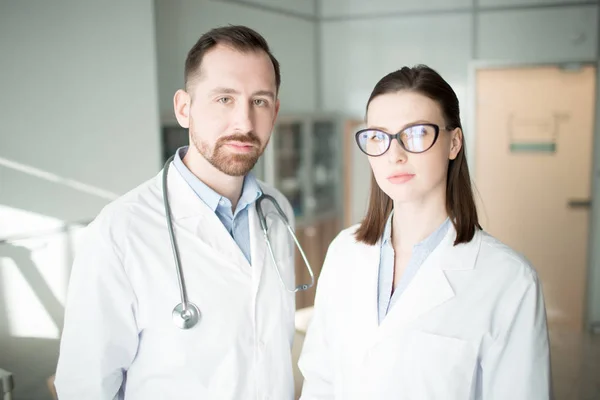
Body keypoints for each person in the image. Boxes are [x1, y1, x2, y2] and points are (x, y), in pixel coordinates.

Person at [55, 25, 298, 399]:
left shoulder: (278, 211)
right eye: (224, 99)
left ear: (275, 112)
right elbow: (85, 388)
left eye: (260, 101)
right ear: (184, 108)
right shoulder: (118, 232)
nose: (245, 123)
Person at [297, 65, 552, 399]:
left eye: (416, 134)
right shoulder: (344, 251)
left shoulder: (508, 280)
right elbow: (321, 380)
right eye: (378, 136)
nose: (395, 154)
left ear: (454, 143)